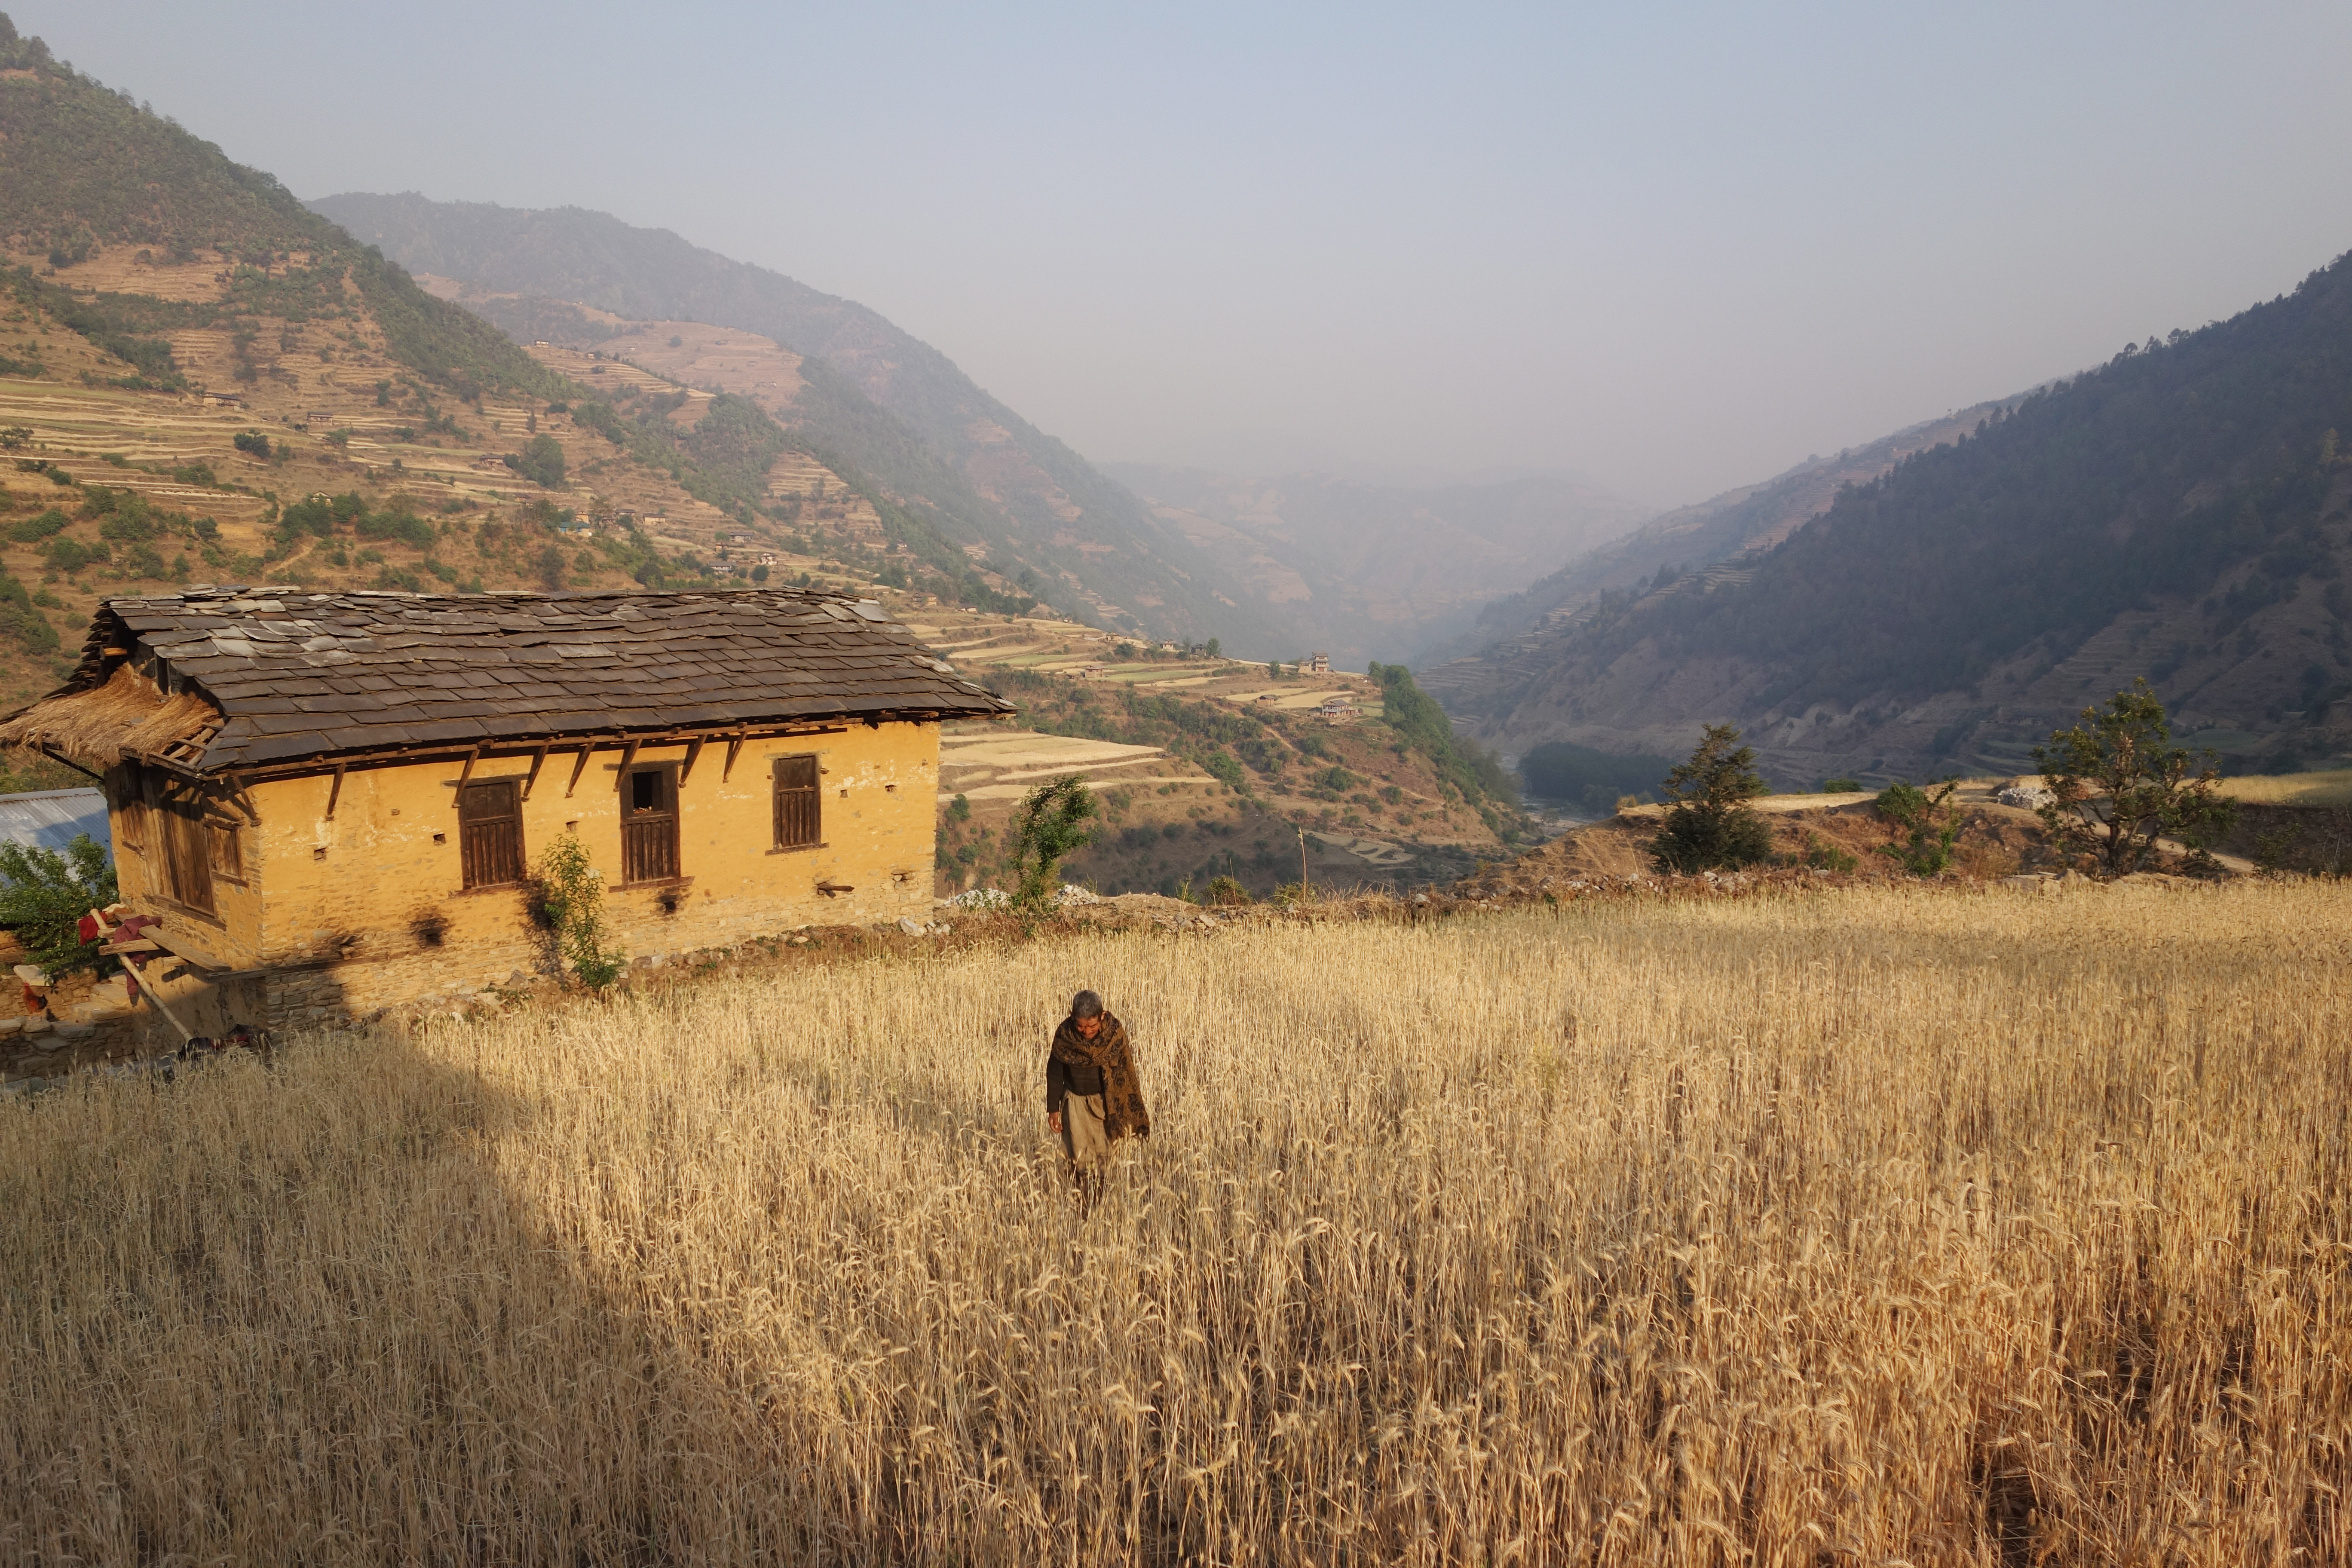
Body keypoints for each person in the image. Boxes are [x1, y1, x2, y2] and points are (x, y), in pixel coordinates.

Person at [1045, 989, 1150, 1191]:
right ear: (1072, 1016)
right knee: (1078, 1160)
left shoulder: (1114, 1034)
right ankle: (1081, 1202)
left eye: (1092, 1025)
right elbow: (1055, 1073)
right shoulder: (1064, 1036)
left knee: (1104, 1160)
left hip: (1105, 1105)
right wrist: (1053, 1108)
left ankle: (1102, 1199)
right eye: (1081, 1026)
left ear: (1102, 1016)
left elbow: (1126, 1072)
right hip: (1075, 1104)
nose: (1087, 1031)